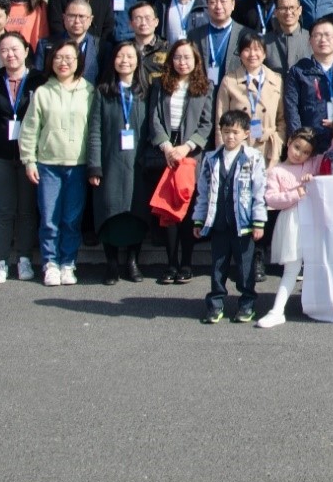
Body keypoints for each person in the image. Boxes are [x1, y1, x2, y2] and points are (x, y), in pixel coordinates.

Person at [19, 38, 94, 288]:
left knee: (71, 219)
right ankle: (50, 263)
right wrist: (29, 160)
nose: (64, 63)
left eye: (69, 58)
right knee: (49, 218)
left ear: (78, 62)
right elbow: (30, 129)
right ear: (51, 61)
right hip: (48, 164)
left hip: (78, 165)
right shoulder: (43, 92)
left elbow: (94, 130)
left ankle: (68, 263)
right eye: (59, 58)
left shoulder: (89, 91)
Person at [145, 40, 214, 285]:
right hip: (165, 152)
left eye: (187, 58)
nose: (182, 62)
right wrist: (166, 146)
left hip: (190, 154)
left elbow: (206, 124)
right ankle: (171, 263)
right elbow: (153, 118)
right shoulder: (160, 84)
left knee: (187, 210)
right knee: (168, 211)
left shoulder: (206, 86)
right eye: (177, 57)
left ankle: (186, 263)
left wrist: (186, 148)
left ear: (196, 61)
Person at [0, 32, 46, 284]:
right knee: (3, 209)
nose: (10, 55)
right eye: (4, 50)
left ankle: (24, 258)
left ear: (26, 51)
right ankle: (0, 260)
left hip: (30, 156)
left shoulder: (40, 82)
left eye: (15, 49)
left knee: (27, 209)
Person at [192, 110, 268, 324]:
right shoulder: (211, 158)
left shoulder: (253, 157)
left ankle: (247, 303)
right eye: (226, 132)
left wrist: (259, 222)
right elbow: (203, 192)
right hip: (219, 223)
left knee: (245, 268)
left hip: (243, 223)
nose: (230, 136)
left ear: (246, 134)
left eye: (235, 132)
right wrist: (199, 219)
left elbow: (259, 191)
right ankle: (215, 304)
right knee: (218, 266)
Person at [87, 40, 150, 285]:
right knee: (109, 211)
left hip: (137, 163)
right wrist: (95, 165)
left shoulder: (145, 91)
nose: (125, 61)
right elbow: (94, 131)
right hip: (110, 161)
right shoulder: (103, 92)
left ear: (138, 61)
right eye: (120, 56)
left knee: (136, 212)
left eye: (130, 56)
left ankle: (133, 261)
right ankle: (111, 263)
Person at [257, 128, 321, 329]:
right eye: (297, 147)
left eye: (305, 152)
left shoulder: (313, 163)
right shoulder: (276, 170)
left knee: (317, 265)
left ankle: (318, 306)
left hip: (314, 219)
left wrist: (332, 125)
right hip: (292, 221)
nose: (299, 154)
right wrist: (295, 194)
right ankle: (277, 310)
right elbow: (271, 199)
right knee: (292, 268)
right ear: (289, 142)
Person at [216, 32, 284, 167]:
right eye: (247, 49)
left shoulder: (276, 80)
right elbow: (220, 120)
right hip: (237, 149)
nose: (252, 54)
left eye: (257, 49)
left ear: (264, 54)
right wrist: (223, 152)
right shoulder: (229, 81)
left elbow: (282, 120)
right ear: (240, 54)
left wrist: (278, 144)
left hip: (268, 150)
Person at [283, 18, 333, 151]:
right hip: (310, 141)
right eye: (317, 35)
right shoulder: (299, 71)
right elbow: (291, 108)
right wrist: (299, 139)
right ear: (310, 40)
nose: (323, 40)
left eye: (328, 35)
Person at [188, 0, 248, 105]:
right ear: (207, 5)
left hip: (234, 99)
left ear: (233, 5)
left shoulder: (245, 34)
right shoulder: (194, 35)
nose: (218, 6)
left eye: (223, 1)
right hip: (202, 99)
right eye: (213, 2)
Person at [35, 0, 103, 86]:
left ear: (90, 20)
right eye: (72, 16)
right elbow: (38, 78)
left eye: (81, 16)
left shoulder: (102, 47)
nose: (77, 21)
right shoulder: (46, 44)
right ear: (64, 18)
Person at [263, 0, 309, 75]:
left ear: (300, 10)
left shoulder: (311, 39)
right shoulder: (265, 41)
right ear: (276, 12)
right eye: (283, 8)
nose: (288, 12)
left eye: (292, 8)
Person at [126, 0, 169, 81]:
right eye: (138, 19)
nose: (143, 23)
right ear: (131, 24)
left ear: (156, 22)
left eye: (147, 18)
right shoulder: (124, 49)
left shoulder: (167, 49)